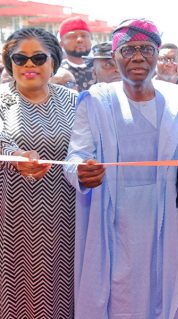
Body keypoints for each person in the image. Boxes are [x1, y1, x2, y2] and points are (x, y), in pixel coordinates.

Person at [63, 18, 178, 318]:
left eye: (146, 49)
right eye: (128, 49)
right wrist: (82, 172)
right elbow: (76, 157)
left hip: (165, 221)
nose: (138, 57)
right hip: (113, 223)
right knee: (118, 298)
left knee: (165, 294)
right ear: (114, 57)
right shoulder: (97, 100)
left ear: (159, 54)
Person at [0, 27, 77, 319]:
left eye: (37, 58)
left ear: (53, 62)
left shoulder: (74, 101)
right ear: (10, 64)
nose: (28, 65)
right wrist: (15, 155)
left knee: (60, 290)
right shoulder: (1, 99)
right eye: (20, 59)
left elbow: (87, 146)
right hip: (11, 218)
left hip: (64, 215)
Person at [59, 16, 95, 91]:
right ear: (61, 43)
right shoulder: (56, 72)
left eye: (84, 36)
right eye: (73, 36)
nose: (80, 39)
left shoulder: (103, 68)